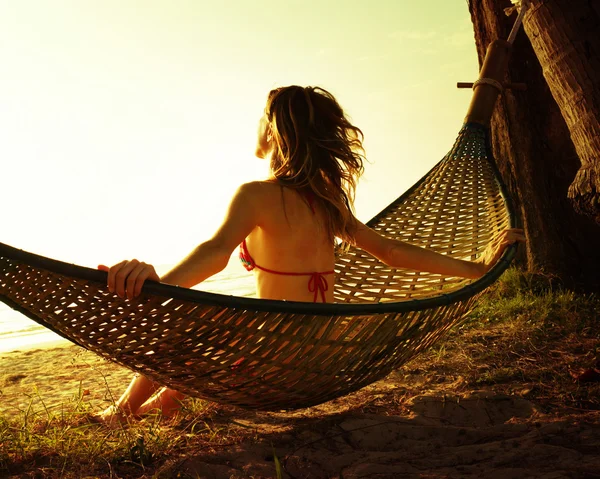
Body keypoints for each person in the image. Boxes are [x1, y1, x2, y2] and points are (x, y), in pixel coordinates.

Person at [97, 85, 525, 425]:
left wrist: (157, 285)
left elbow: (214, 253)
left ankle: (120, 412)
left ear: (275, 130)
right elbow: (390, 251)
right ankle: (146, 412)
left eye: (261, 119)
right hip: (318, 361)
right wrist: (477, 267)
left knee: (177, 332)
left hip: (271, 358)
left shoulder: (256, 195)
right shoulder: (328, 199)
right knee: (183, 386)